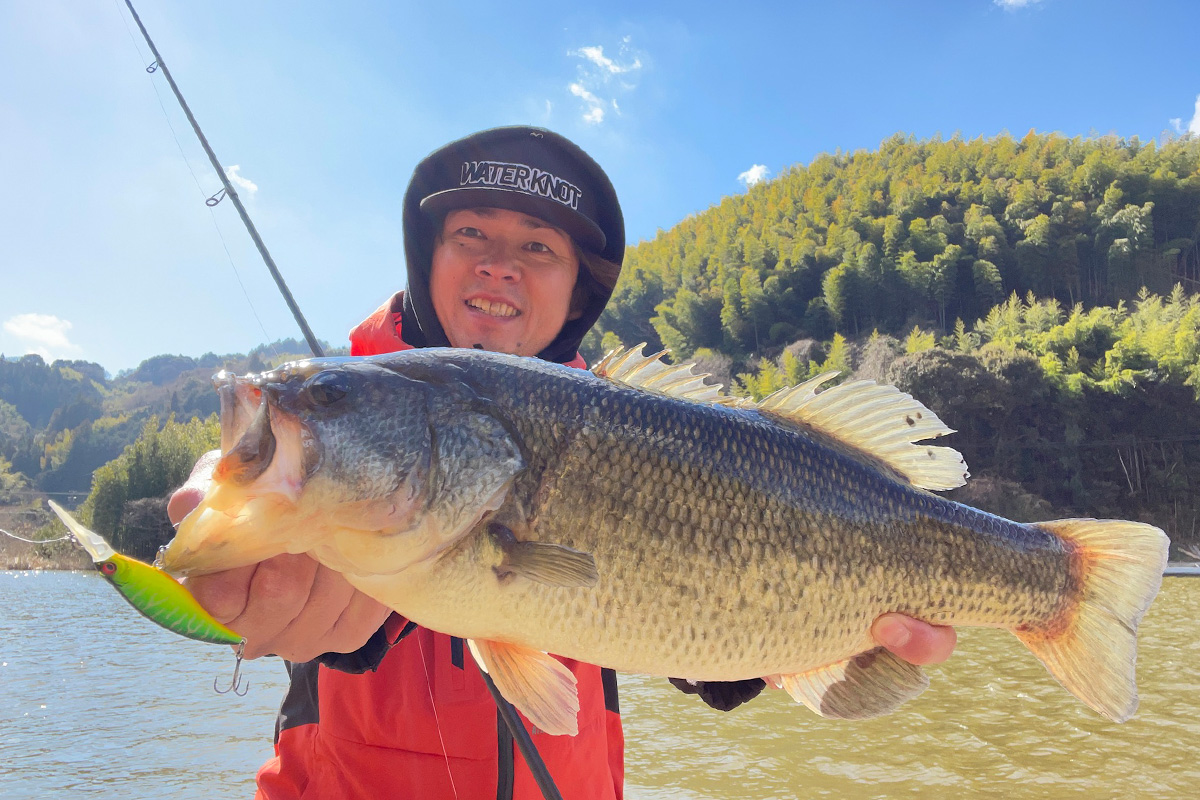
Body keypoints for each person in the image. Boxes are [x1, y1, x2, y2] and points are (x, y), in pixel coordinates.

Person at [167, 126, 957, 799]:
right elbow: (267, 542)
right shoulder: (352, 424)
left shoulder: (641, 432)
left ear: (577, 291)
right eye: (470, 232)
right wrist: (246, 549)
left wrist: (782, 649)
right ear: (427, 256)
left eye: (538, 248)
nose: (499, 264)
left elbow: (678, 628)